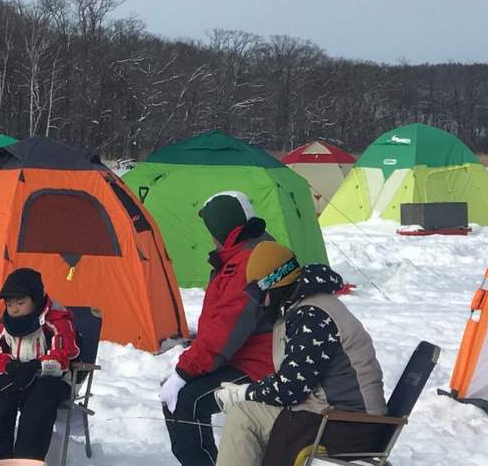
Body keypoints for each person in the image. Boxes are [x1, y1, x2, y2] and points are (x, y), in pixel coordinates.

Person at [212, 243, 387, 466]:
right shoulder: (308, 307)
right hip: (341, 417)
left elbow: (292, 387)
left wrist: (245, 393)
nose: (260, 301)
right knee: (250, 414)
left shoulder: (312, 316)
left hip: (350, 425)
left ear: (274, 284)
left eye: (258, 292)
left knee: (244, 416)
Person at [161, 191, 276, 466]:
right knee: (180, 395)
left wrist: (185, 370)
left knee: (187, 400)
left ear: (223, 231)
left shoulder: (249, 262)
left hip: (260, 366)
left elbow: (228, 327)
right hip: (245, 357)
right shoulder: (247, 254)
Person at [0, 268, 79, 462]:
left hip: (50, 379)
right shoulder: (7, 323)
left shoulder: (57, 320)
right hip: (17, 375)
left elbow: (63, 354)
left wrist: (37, 366)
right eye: (9, 304)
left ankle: (27, 460)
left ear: (36, 300)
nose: (14, 309)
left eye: (20, 303)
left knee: (39, 400)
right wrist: (8, 365)